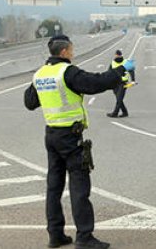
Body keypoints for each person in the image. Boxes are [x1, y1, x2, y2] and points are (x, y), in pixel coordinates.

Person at [24, 35, 131, 249]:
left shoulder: (41, 74)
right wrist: (119, 72)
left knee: (54, 187)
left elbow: (29, 102)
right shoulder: (68, 72)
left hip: (51, 135)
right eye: (71, 49)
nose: (72, 53)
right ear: (64, 52)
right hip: (70, 137)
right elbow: (96, 83)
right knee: (79, 185)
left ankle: (55, 235)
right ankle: (84, 236)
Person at [107, 51, 131, 118]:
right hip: (114, 83)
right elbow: (109, 72)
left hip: (123, 83)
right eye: (116, 55)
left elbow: (131, 71)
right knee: (119, 99)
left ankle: (115, 113)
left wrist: (133, 80)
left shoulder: (126, 62)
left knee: (119, 98)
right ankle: (125, 112)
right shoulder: (113, 63)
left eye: (118, 55)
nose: (117, 56)